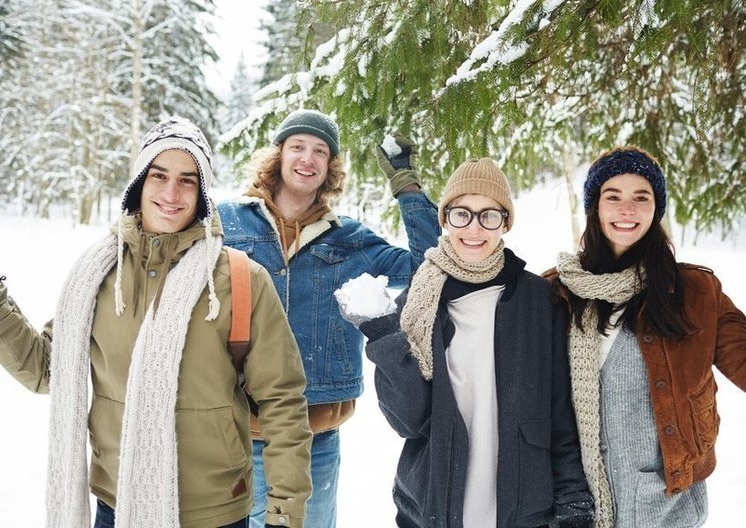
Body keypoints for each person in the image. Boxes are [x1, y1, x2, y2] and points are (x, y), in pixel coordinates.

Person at [0, 117, 312, 528]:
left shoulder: (241, 280)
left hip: (214, 512)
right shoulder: (97, 277)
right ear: (138, 185)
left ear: (202, 194)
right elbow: (46, 370)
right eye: (158, 175)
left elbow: (283, 401)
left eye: (187, 180)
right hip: (116, 505)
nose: (170, 193)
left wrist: (285, 513)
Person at [336, 158, 594, 528]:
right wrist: (382, 334)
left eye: (489, 215)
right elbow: (409, 421)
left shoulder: (537, 299)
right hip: (434, 505)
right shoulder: (419, 300)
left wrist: (571, 492)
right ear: (445, 219)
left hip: (521, 509)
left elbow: (558, 408)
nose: (474, 228)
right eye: (462, 214)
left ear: (506, 222)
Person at [217, 108, 441, 528]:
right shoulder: (228, 223)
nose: (308, 158)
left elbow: (426, 267)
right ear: (278, 156)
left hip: (314, 431)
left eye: (320, 151)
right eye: (298, 147)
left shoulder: (348, 238)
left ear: (330, 167)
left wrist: (406, 185)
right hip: (240, 427)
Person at [545, 146, 746, 528]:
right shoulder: (557, 293)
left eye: (642, 197)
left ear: (656, 209)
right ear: (595, 208)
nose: (627, 209)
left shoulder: (695, 291)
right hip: (575, 508)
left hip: (668, 506)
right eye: (613, 197)